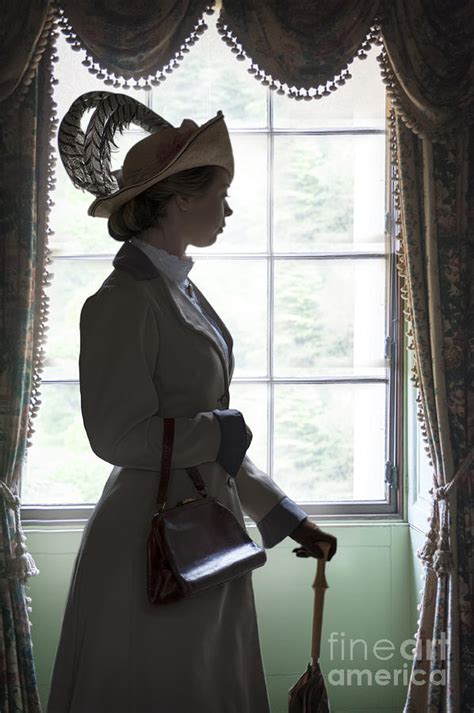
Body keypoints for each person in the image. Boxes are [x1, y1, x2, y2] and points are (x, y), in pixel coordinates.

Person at [47, 93, 337, 713]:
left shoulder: (180, 291)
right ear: (180, 200)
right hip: (148, 542)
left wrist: (285, 517)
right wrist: (218, 430)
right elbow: (117, 437)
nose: (228, 210)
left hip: (205, 533)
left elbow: (217, 439)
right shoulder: (121, 301)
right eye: (219, 195)